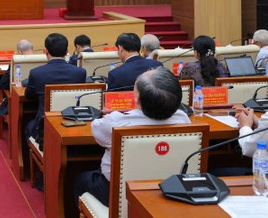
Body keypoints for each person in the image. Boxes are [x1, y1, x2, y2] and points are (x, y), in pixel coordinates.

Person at [74, 67, 190, 207]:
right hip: (169, 189)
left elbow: (96, 129)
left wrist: (116, 114)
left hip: (119, 192)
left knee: (80, 179)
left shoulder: (116, 121)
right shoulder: (183, 119)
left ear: (138, 99)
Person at [24, 33, 86, 141]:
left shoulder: (36, 73)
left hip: (44, 126)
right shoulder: (80, 72)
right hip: (73, 122)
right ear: (66, 51)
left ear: (46, 51)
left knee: (28, 125)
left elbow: (29, 95)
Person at [0, 39, 35, 116]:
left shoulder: (15, 63)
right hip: (36, 99)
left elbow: (2, 84)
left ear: (20, 52)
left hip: (18, 101)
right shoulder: (43, 61)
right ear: (32, 50)